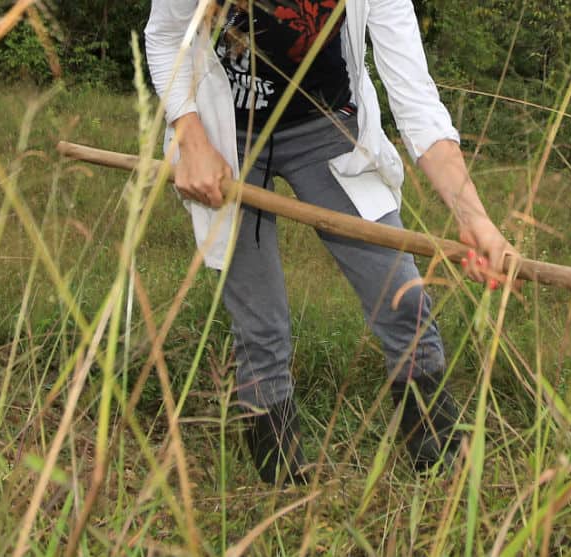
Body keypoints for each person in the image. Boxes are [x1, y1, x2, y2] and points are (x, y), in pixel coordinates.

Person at [144, 0, 512, 485]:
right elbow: (166, 37)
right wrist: (191, 143)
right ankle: (282, 485)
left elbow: (416, 99)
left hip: (326, 126)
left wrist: (474, 217)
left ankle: (441, 465)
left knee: (404, 300)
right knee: (260, 323)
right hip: (227, 137)